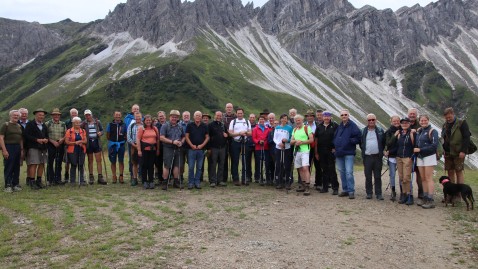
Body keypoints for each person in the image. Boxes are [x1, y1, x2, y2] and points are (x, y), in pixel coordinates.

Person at [334, 109, 361, 199]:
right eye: (342, 115)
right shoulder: (340, 126)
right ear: (340, 116)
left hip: (349, 152)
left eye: (345, 114)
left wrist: (350, 141)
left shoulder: (353, 125)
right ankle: (345, 189)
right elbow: (336, 137)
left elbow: (358, 137)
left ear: (348, 115)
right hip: (339, 152)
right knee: (342, 172)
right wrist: (334, 146)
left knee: (349, 172)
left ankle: (351, 191)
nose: (344, 116)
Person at [414, 115, 439, 209]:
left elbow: (434, 145)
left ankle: (430, 199)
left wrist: (420, 149)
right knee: (423, 178)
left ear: (428, 120)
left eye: (425, 120)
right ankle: (425, 197)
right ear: (419, 121)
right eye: (421, 120)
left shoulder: (433, 131)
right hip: (420, 157)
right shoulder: (419, 131)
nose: (423, 122)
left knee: (428, 178)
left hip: (429, 156)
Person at [441, 107, 471, 184]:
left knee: (458, 171)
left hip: (458, 152)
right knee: (450, 172)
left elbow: (466, 137)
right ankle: (452, 192)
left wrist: (463, 151)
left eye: (449, 117)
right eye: (446, 117)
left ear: (453, 114)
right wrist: (443, 150)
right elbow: (443, 138)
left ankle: (459, 193)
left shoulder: (462, 123)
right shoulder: (445, 125)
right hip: (448, 152)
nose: (448, 119)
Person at [360, 113, 386, 200]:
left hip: (377, 157)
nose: (371, 121)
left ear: (376, 120)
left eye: (373, 120)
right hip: (367, 157)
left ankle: (379, 193)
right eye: (369, 120)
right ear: (366, 121)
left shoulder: (380, 130)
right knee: (368, 176)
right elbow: (361, 143)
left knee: (378, 176)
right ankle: (369, 193)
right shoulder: (363, 131)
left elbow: (383, 142)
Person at [24, 108, 49, 190]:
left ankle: (39, 181)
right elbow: (26, 135)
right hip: (33, 147)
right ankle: (32, 181)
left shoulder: (44, 125)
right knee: (34, 164)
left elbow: (46, 135)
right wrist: (37, 140)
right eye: (39, 115)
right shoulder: (30, 124)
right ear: (35, 115)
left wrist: (46, 139)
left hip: (43, 148)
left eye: (42, 115)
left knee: (42, 163)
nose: (41, 116)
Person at [314, 111, 339, 195]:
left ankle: (335, 188)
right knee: (324, 169)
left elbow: (338, 137)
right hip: (321, 150)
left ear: (330, 117)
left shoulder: (335, 126)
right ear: (323, 117)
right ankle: (325, 187)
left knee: (332, 169)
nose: (326, 118)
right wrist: (316, 152)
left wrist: (336, 148)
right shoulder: (319, 126)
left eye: (328, 116)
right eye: (325, 116)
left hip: (331, 150)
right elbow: (316, 140)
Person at [160, 110, 185, 190]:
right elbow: (161, 137)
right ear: (169, 117)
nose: (174, 118)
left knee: (177, 165)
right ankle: (165, 182)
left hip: (177, 148)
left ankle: (176, 182)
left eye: (176, 117)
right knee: (167, 165)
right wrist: (172, 142)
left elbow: (183, 136)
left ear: (178, 118)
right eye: (173, 117)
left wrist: (181, 142)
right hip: (168, 148)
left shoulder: (180, 126)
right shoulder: (165, 126)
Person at [81, 109, 107, 185]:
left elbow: (102, 131)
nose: (87, 116)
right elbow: (81, 131)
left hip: (96, 142)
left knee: (99, 160)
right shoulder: (83, 124)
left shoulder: (97, 122)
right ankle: (91, 177)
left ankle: (100, 177)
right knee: (90, 160)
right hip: (88, 143)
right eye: (86, 115)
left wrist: (100, 133)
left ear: (91, 115)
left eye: (88, 115)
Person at [291, 114, 314, 196]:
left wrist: (302, 142)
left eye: (299, 120)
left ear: (302, 120)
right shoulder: (294, 130)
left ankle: (307, 185)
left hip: (305, 150)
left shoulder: (307, 128)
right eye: (296, 120)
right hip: (297, 151)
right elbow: (291, 141)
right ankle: (303, 184)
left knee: (305, 167)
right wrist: (295, 141)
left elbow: (311, 140)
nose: (297, 121)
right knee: (299, 168)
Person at [0, 110, 24, 192]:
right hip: (9, 146)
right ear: (10, 116)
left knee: (16, 166)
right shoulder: (6, 125)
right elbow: (1, 138)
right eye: (14, 115)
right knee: (9, 166)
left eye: (17, 115)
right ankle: (8, 185)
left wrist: (21, 149)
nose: (16, 117)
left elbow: (20, 138)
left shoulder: (19, 126)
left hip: (17, 147)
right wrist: (4, 150)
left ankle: (15, 184)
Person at [185, 111, 209, 189]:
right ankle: (191, 182)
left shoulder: (204, 126)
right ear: (194, 117)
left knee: (199, 167)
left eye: (199, 116)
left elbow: (207, 137)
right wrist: (191, 145)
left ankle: (197, 182)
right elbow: (186, 136)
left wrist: (202, 145)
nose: (198, 117)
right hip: (191, 149)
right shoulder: (190, 125)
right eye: (196, 115)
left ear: (201, 117)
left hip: (200, 149)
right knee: (191, 167)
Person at [395, 117, 416, 205]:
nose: (404, 124)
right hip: (399, 157)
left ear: (409, 124)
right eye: (403, 123)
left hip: (408, 157)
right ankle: (404, 195)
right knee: (401, 177)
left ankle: (410, 195)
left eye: (406, 123)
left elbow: (415, 145)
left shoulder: (412, 133)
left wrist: (412, 156)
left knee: (406, 177)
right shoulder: (399, 133)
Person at [228, 108, 252, 186]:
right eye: (238, 113)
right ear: (236, 113)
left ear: (243, 113)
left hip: (245, 143)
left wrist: (245, 133)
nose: (240, 114)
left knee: (245, 161)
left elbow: (250, 133)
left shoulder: (247, 121)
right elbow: (230, 134)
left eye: (241, 113)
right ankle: (236, 179)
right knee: (235, 161)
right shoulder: (233, 121)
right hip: (236, 143)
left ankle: (244, 178)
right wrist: (239, 133)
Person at [137, 115, 160, 189]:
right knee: (144, 165)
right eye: (147, 120)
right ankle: (144, 181)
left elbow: (158, 140)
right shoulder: (141, 129)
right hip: (144, 150)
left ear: (152, 121)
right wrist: (139, 150)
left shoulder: (155, 128)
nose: (148, 121)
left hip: (152, 150)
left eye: (149, 120)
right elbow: (138, 140)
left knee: (151, 165)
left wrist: (158, 149)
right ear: (144, 121)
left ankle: (151, 181)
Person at [45, 108, 66, 186]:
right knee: (50, 162)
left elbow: (66, 134)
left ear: (59, 115)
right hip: (51, 144)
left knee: (59, 162)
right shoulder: (47, 124)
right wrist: (52, 141)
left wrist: (62, 139)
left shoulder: (63, 124)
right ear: (52, 115)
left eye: (58, 115)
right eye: (55, 115)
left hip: (60, 144)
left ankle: (58, 179)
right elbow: (45, 135)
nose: (56, 116)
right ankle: (50, 180)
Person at [64, 117, 87, 186]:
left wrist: (81, 141)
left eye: (79, 122)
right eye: (76, 122)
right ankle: (72, 181)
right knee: (73, 164)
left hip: (81, 149)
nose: (78, 124)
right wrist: (75, 143)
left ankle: (81, 180)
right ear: (73, 123)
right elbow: (67, 142)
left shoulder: (83, 131)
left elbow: (85, 141)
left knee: (81, 165)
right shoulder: (69, 131)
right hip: (72, 150)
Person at [208, 111, 228, 187]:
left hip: (222, 147)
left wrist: (227, 135)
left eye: (220, 115)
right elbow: (208, 137)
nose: (219, 117)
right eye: (217, 115)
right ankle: (212, 181)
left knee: (221, 164)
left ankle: (220, 180)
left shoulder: (223, 125)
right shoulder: (210, 125)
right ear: (215, 116)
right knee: (213, 164)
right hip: (213, 148)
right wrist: (209, 148)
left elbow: (227, 135)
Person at [408, 107, 424, 202]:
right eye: (411, 114)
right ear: (408, 114)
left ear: (416, 115)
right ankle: (409, 192)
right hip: (408, 153)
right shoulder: (405, 123)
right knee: (408, 173)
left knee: (420, 174)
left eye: (414, 114)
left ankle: (421, 193)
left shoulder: (421, 124)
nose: (412, 115)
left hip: (419, 153)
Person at [273, 114, 293, 189]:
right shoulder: (277, 127)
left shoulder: (289, 128)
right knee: (279, 164)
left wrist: (287, 141)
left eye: (285, 118)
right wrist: (279, 144)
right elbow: (274, 138)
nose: (284, 120)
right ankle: (279, 181)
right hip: (278, 148)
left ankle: (287, 181)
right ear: (280, 119)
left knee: (286, 165)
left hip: (286, 148)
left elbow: (291, 138)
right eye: (283, 118)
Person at [107, 111, 126, 184]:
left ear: (121, 116)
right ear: (114, 116)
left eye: (119, 115)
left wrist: (123, 141)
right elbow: (108, 135)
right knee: (113, 161)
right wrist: (112, 142)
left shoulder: (124, 124)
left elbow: (126, 134)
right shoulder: (110, 124)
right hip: (113, 145)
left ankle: (121, 176)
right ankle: (114, 176)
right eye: (116, 115)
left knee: (121, 161)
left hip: (121, 144)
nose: (117, 116)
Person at [384, 115, 401, 201]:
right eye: (394, 121)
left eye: (397, 121)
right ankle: (393, 191)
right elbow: (388, 143)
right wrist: (395, 135)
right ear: (391, 122)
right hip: (392, 156)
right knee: (392, 175)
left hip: (401, 156)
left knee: (402, 175)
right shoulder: (388, 132)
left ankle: (403, 192)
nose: (396, 122)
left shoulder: (404, 130)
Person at [252, 115, 272, 186]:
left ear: (265, 120)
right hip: (258, 148)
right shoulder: (255, 129)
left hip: (266, 147)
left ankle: (267, 178)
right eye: (260, 119)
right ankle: (259, 177)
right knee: (259, 163)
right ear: (258, 120)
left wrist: (264, 142)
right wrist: (258, 141)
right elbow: (254, 138)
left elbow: (268, 138)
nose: (261, 121)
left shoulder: (267, 129)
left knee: (266, 163)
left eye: (263, 119)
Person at [305, 109, 321, 190]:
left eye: (311, 116)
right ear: (306, 117)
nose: (310, 117)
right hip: (306, 147)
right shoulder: (304, 125)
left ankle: (318, 183)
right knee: (306, 165)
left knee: (318, 165)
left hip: (316, 147)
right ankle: (306, 182)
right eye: (308, 116)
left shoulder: (318, 125)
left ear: (313, 117)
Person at [127, 112, 143, 186]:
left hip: (143, 147)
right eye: (136, 117)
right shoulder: (131, 126)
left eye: (139, 117)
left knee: (143, 163)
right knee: (134, 163)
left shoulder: (144, 126)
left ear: (141, 117)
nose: (138, 118)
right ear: (134, 117)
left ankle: (143, 178)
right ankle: (134, 179)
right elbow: (128, 137)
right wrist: (134, 145)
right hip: (134, 146)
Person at [124, 104, 140, 179]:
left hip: (141, 143)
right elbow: (126, 128)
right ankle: (132, 175)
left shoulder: (141, 118)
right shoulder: (127, 118)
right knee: (132, 159)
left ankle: (140, 174)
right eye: (134, 109)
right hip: (132, 142)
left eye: (137, 109)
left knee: (140, 158)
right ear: (132, 110)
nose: (136, 110)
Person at [222, 103, 236, 182]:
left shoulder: (236, 117)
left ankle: (234, 177)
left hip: (233, 140)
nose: (229, 109)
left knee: (234, 159)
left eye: (230, 107)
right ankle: (224, 178)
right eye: (228, 107)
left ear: (232, 108)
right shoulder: (222, 117)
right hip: (224, 140)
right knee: (224, 159)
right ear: (225, 108)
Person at [64, 108, 78, 183]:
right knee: (67, 161)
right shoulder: (66, 122)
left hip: (78, 145)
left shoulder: (80, 122)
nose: (74, 115)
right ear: (70, 114)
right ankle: (66, 174)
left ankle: (76, 176)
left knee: (77, 161)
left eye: (75, 113)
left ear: (77, 114)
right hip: (69, 144)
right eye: (72, 113)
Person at [155, 111, 166, 182]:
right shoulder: (155, 126)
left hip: (167, 147)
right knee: (159, 163)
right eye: (160, 116)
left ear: (165, 116)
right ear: (158, 118)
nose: (161, 117)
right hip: (159, 147)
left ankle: (167, 177)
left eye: (162, 116)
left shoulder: (169, 124)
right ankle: (160, 178)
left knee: (167, 163)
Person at [199, 113, 211, 182]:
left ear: (209, 119)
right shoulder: (200, 126)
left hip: (209, 148)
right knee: (201, 163)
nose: (205, 119)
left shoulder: (210, 126)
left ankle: (210, 177)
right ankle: (200, 178)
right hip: (201, 147)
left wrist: (209, 148)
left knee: (210, 163)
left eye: (207, 118)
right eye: (204, 118)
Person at [246, 113, 256, 183]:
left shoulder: (257, 125)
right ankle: (248, 176)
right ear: (248, 118)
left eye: (253, 117)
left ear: (255, 118)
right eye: (250, 117)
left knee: (257, 162)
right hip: (248, 144)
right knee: (247, 161)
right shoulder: (245, 125)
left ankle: (257, 176)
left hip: (256, 145)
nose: (252, 119)